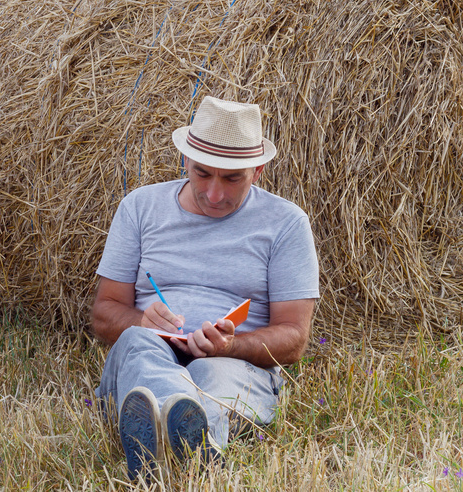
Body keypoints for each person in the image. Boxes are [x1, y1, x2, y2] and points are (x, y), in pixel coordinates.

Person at [91, 95, 320, 480]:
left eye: (232, 179)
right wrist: (143, 321)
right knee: (136, 343)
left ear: (258, 170)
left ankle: (166, 445)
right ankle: (190, 447)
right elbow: (104, 313)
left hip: (234, 364)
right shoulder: (139, 208)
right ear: (184, 161)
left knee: (211, 375)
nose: (215, 194)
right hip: (150, 350)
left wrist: (231, 346)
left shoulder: (286, 224)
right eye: (202, 174)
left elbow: (294, 339)